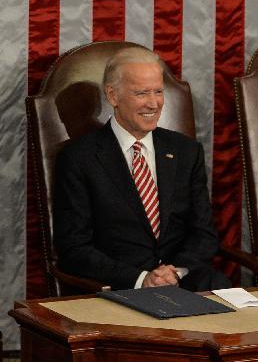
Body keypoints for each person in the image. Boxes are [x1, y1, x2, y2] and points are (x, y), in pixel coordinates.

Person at [54, 47, 229, 292]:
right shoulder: (79, 158)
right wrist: (140, 279)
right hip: (118, 287)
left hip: (182, 281)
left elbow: (204, 234)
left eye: (158, 91)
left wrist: (174, 272)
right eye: (141, 93)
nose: (153, 103)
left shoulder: (186, 151)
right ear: (113, 96)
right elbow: (74, 248)